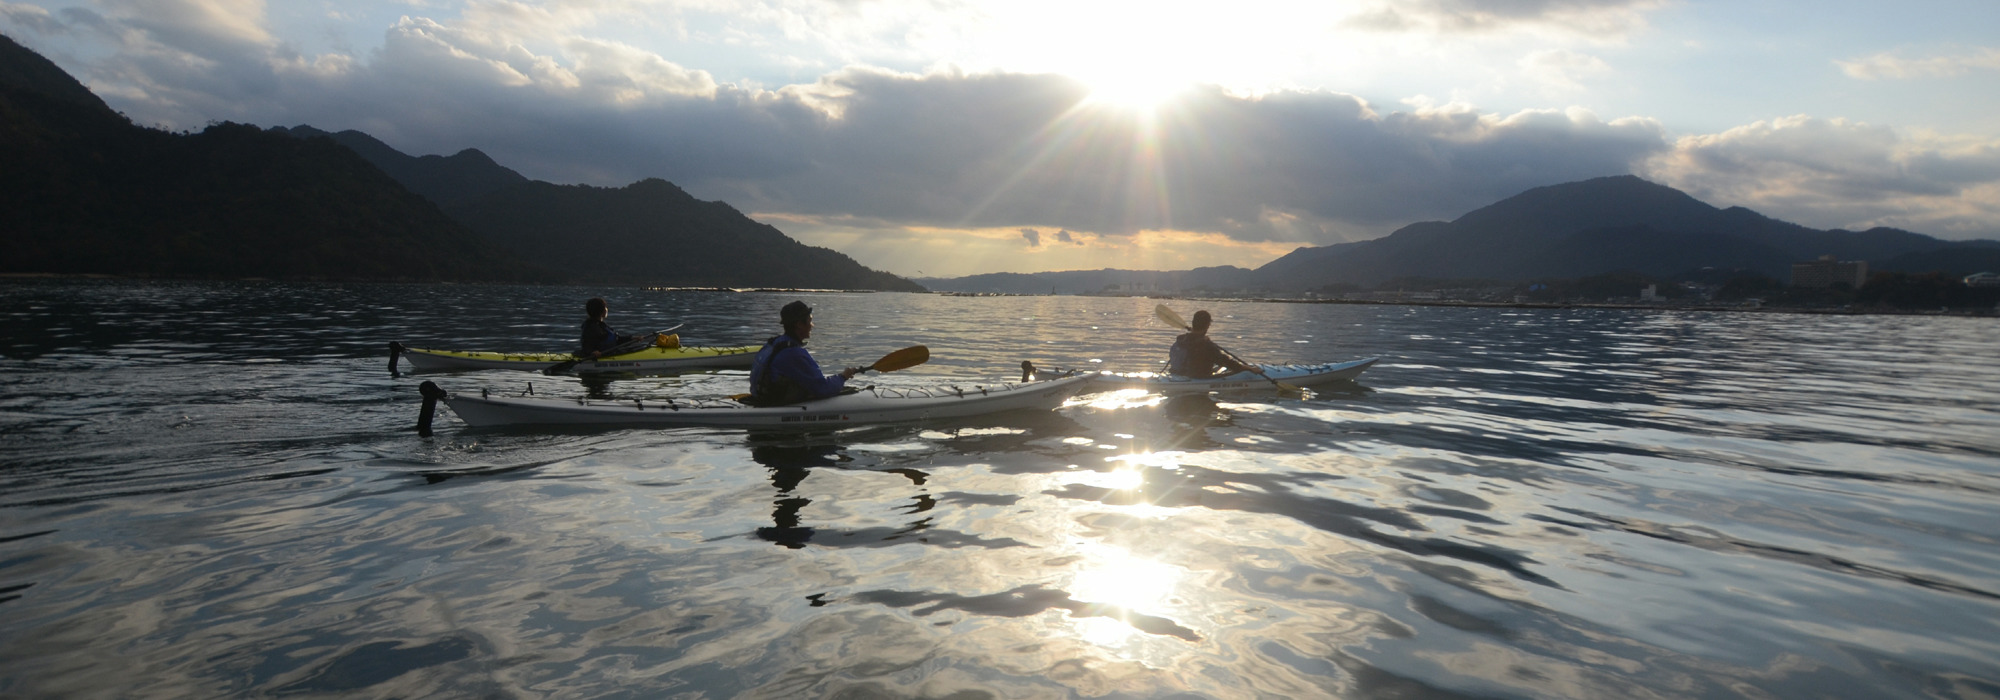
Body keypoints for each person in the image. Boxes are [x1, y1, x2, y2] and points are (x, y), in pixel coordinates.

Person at [747, 301, 863, 405]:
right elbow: (823, 389)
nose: (812, 326)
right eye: (810, 321)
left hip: (760, 398)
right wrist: (843, 376)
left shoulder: (773, 343)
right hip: (773, 404)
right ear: (799, 324)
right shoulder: (793, 353)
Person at [1168, 310, 1258, 379]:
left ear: (1193, 323)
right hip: (1198, 378)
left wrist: (1201, 338)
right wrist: (1248, 368)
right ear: (1207, 325)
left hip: (1177, 374)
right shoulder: (1207, 346)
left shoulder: (1181, 340)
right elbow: (1226, 362)